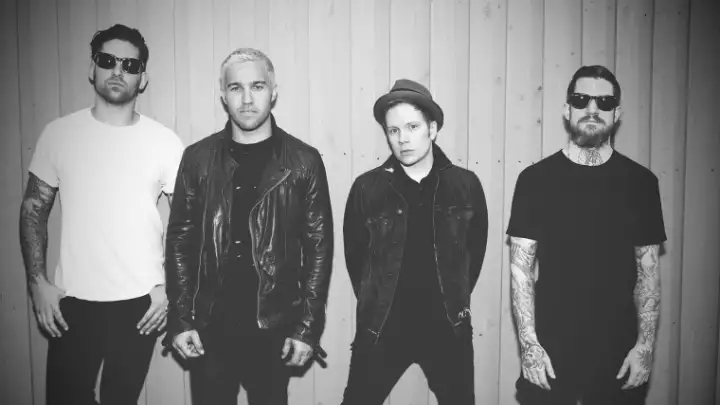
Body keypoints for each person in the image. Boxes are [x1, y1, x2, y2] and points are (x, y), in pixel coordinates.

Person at [19, 24, 184, 405]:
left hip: (141, 303)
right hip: (73, 301)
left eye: (130, 64)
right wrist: (37, 283)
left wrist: (170, 289)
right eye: (107, 60)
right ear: (92, 68)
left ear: (142, 78)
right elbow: (33, 210)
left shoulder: (164, 141)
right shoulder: (59, 134)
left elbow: (188, 223)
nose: (118, 70)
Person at [165, 48, 334, 405]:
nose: (246, 99)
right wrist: (180, 320)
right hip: (210, 326)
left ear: (273, 92)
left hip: (275, 328)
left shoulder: (303, 161)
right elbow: (179, 241)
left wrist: (307, 327)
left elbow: (319, 250)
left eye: (257, 86)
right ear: (223, 95)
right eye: (235, 88)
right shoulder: (197, 159)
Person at [507, 65, 666, 405]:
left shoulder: (641, 183)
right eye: (581, 100)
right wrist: (530, 345)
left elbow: (648, 274)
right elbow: (521, 271)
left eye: (604, 102)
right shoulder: (535, 180)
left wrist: (644, 346)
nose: (592, 109)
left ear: (616, 114)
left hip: (617, 351)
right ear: (567, 110)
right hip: (551, 349)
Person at [340, 79, 489, 405]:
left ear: (432, 129)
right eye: (393, 130)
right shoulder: (367, 189)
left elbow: (473, 255)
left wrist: (453, 298)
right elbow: (356, 260)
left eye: (412, 127)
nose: (402, 138)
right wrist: (375, 301)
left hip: (447, 329)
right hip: (382, 327)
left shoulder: (465, 185)